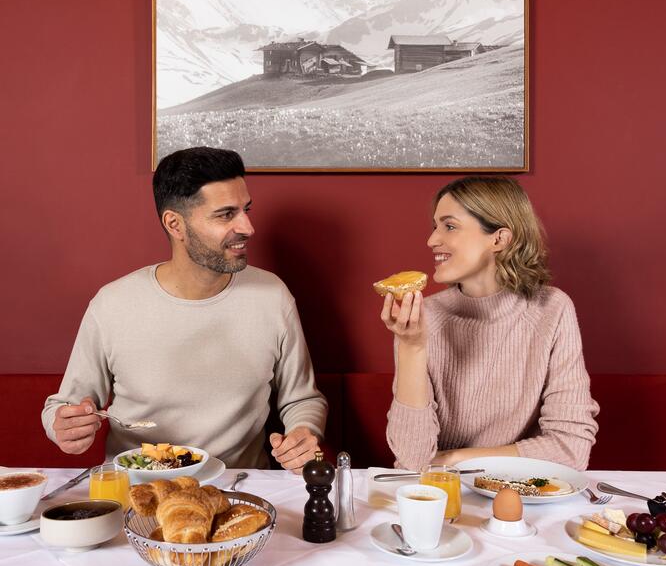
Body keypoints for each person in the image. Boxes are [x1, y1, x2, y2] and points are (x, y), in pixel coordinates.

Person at [42, 147, 327, 471]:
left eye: (245, 210)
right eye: (226, 214)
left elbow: (303, 400)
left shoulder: (272, 297)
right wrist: (62, 426)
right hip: (138, 490)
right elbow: (62, 407)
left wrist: (303, 431)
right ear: (175, 225)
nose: (248, 227)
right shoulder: (112, 305)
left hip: (240, 488)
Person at [381, 176, 598, 472]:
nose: (432, 240)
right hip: (442, 495)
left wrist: (456, 457)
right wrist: (411, 347)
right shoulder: (422, 317)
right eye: (435, 226)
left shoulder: (552, 309)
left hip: (519, 492)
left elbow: (570, 449)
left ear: (499, 239)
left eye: (450, 226)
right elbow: (412, 460)